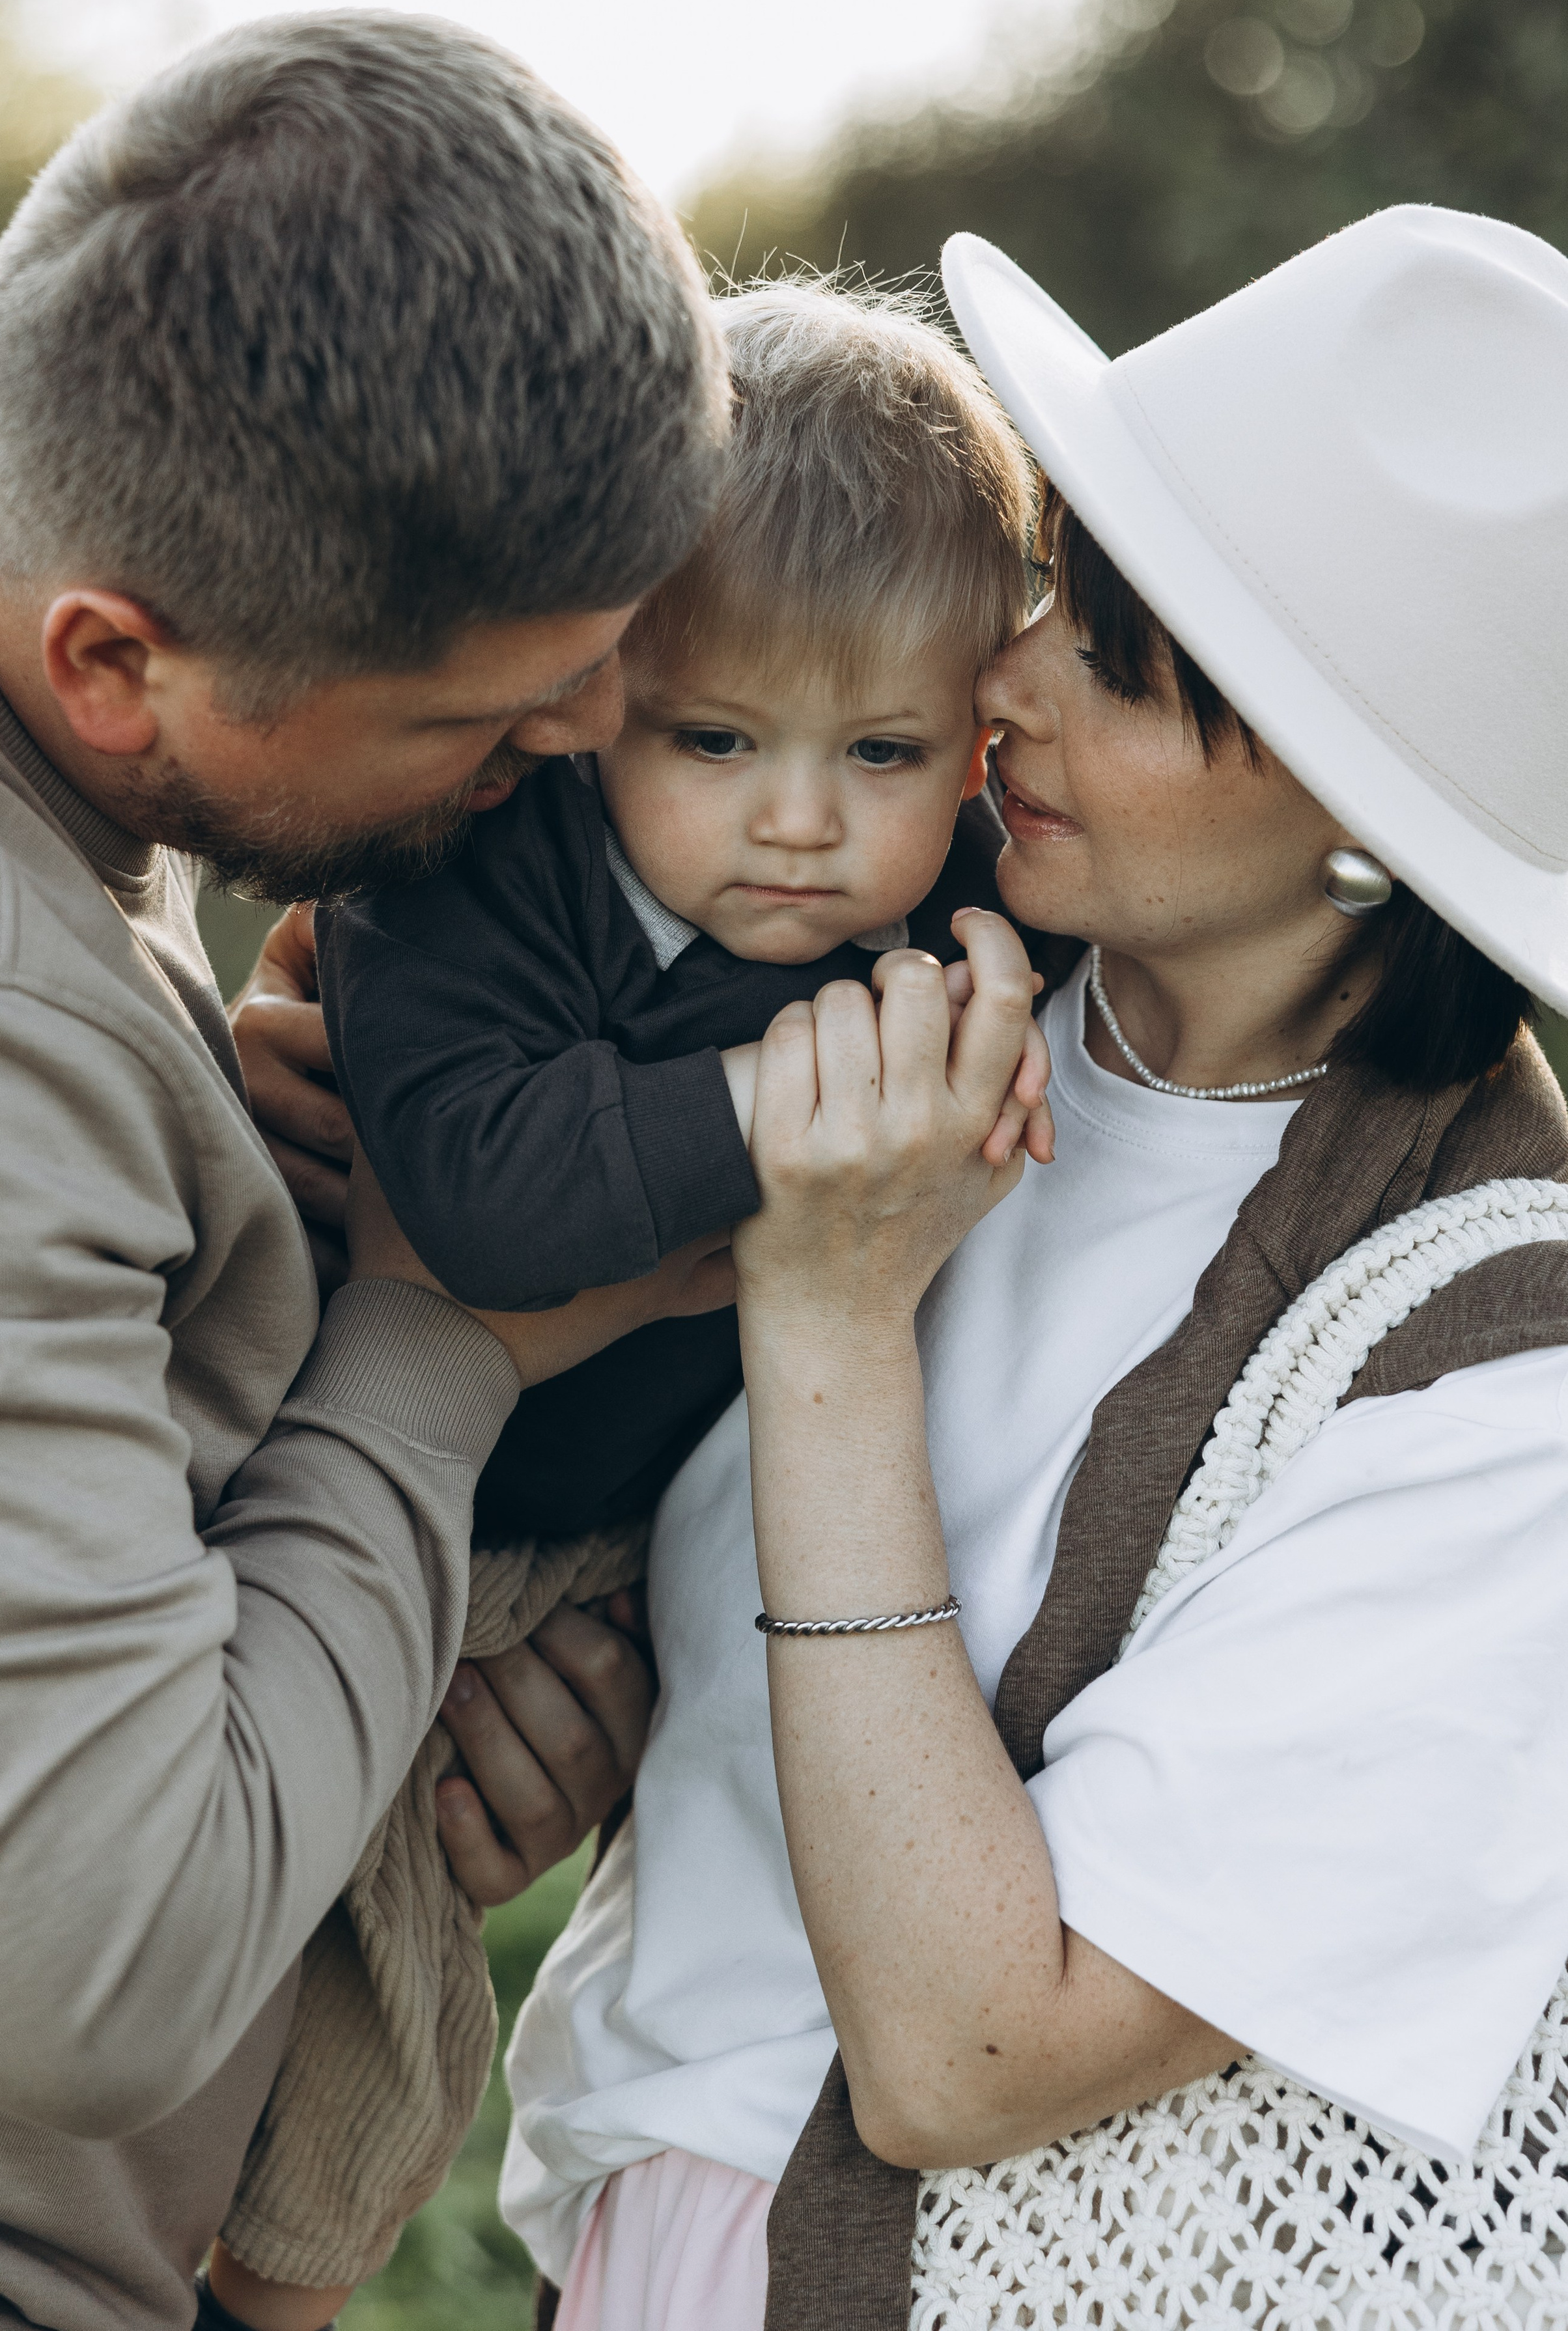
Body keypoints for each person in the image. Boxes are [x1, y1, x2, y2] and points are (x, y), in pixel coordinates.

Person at [494, 204, 1568, 2330]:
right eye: (1057, 580)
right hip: (644, 2234)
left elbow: (973, 2054)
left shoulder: (1493, 1384)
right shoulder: (887, 965)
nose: (1003, 678)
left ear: (1367, 823)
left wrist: (825, 1316)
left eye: (1124, 658)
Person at [0, 7, 727, 2331]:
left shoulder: (36, 755)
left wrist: (350, 1723)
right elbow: (101, 1977)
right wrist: (433, 1335)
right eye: (484, 723)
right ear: (113, 663)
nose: (579, 754)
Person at [317, 282, 1043, 1549]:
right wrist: (812, 1085)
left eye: (881, 753)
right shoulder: (484, 856)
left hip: (675, 1537)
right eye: (715, 740)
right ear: (598, 693)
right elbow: (486, 1202)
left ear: (974, 751)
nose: (800, 823)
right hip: (381, 1509)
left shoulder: (981, 901)